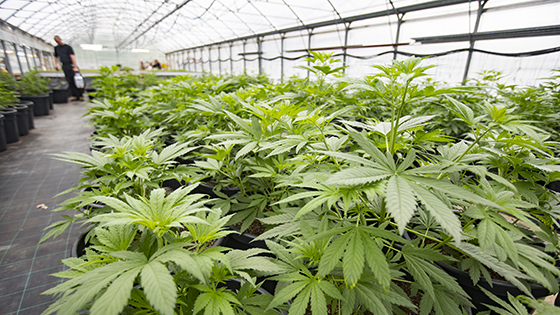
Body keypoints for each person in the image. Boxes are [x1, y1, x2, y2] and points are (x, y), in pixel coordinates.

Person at [53, 35, 83, 101]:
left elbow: (72, 56)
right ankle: (74, 95)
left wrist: (75, 67)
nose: (58, 42)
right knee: (69, 81)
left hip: (71, 65)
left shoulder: (68, 47)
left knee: (77, 80)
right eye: (56, 41)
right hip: (65, 65)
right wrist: (56, 64)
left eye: (58, 41)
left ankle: (80, 95)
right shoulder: (56, 48)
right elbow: (55, 56)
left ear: (61, 39)